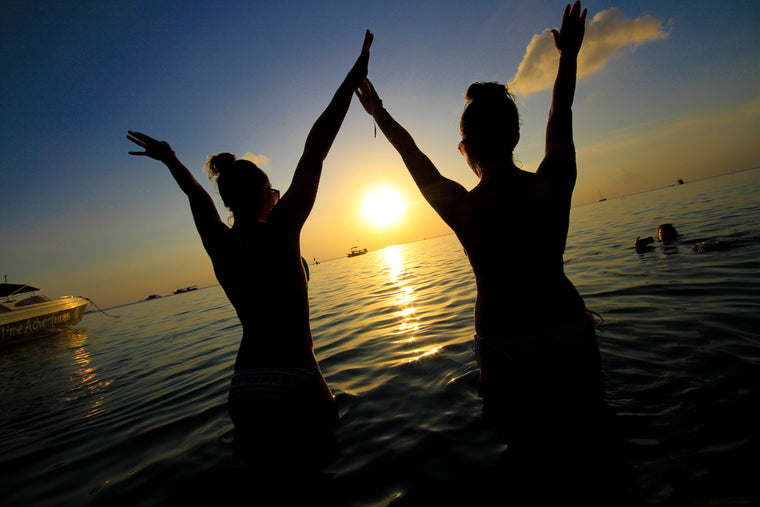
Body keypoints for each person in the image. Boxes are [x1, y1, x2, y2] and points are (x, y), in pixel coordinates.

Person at [127, 30, 373, 469]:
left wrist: (170, 160)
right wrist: (352, 79)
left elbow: (196, 197)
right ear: (263, 194)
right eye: (273, 191)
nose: (277, 198)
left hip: (244, 385)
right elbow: (315, 149)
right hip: (295, 374)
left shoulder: (220, 243)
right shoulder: (280, 231)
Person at [356, 3, 604, 434]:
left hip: (502, 337)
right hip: (566, 323)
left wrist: (378, 112)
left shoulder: (462, 207)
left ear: (465, 149)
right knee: (596, 433)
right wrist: (568, 57)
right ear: (516, 136)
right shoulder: (552, 183)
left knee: (522, 448)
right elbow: (560, 115)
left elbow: (412, 154)